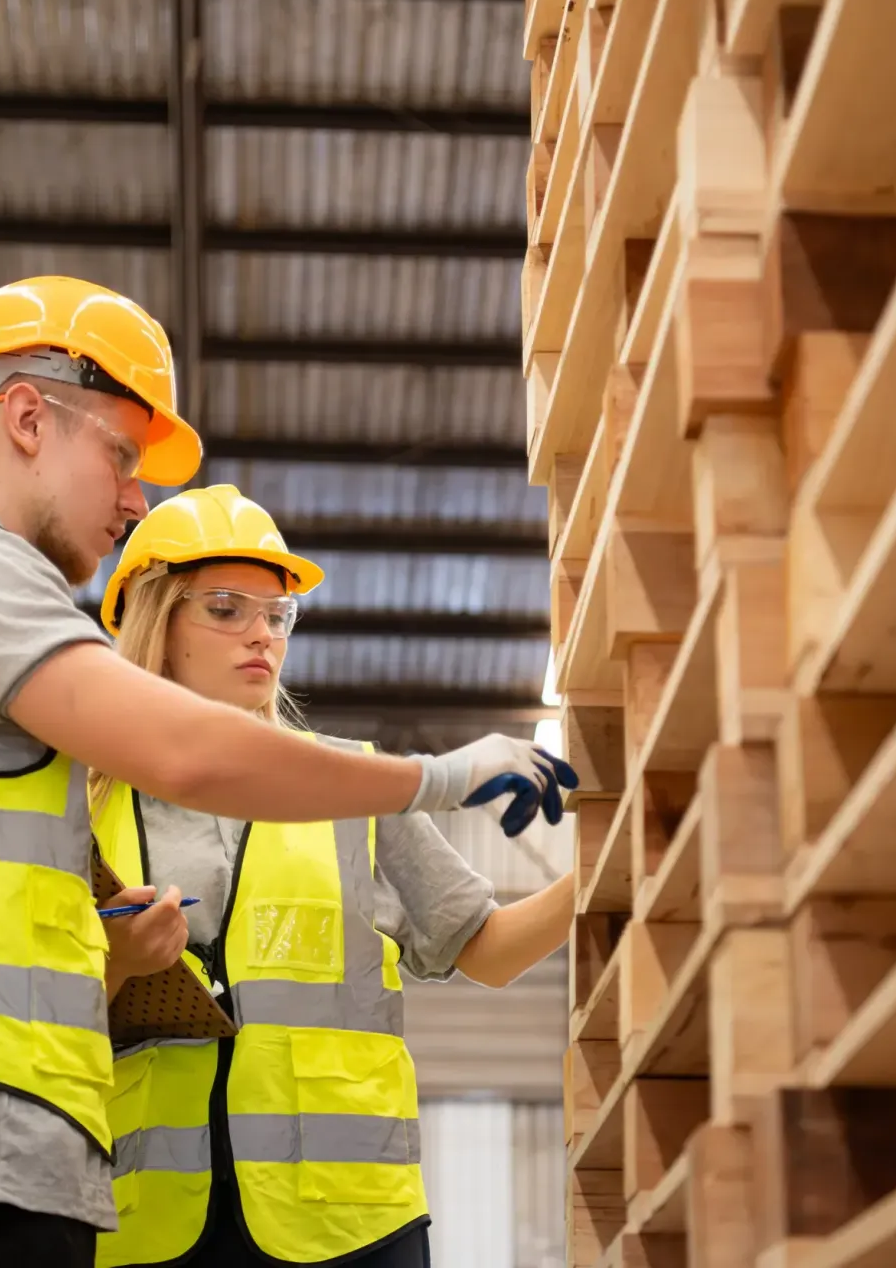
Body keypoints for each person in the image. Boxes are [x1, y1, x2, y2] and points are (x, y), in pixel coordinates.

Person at [0, 275, 576, 1268]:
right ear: (24, 416)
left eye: (277, 614)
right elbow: (186, 750)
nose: (135, 495)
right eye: (120, 454)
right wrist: (439, 775)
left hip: (33, 1157)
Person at [87, 485, 578, 1268]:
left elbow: (487, 950)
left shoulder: (354, 785)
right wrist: (119, 964)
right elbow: (24, 1008)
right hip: (145, 1222)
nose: (262, 636)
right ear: (157, 621)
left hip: (348, 1225)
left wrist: (602, 873)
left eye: (277, 616)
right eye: (225, 609)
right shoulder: (79, 801)